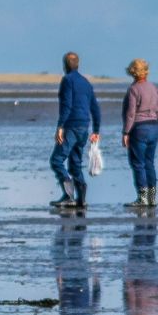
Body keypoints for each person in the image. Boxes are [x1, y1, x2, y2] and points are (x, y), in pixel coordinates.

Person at [50, 52, 100, 212]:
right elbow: (95, 108)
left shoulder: (67, 80)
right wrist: (96, 129)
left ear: (65, 65)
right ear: (77, 65)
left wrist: (60, 126)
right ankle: (82, 199)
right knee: (75, 164)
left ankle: (69, 196)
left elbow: (67, 105)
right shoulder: (86, 82)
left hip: (71, 126)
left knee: (57, 160)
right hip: (84, 127)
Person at [120, 57, 158, 209]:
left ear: (132, 72)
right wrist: (155, 122)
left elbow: (131, 113)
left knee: (138, 163)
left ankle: (142, 198)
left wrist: (126, 132)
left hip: (140, 128)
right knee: (149, 162)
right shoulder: (152, 87)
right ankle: (152, 198)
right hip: (154, 126)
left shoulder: (134, 89)